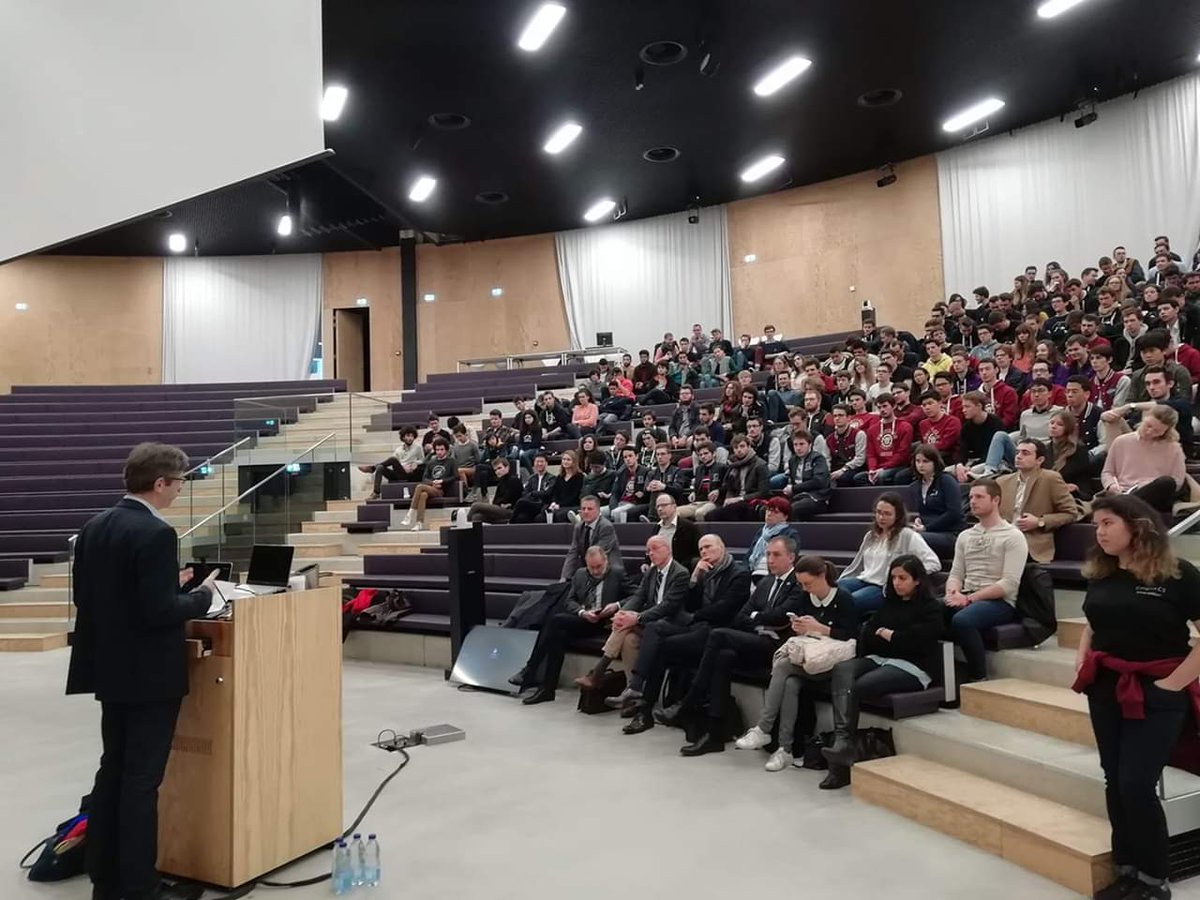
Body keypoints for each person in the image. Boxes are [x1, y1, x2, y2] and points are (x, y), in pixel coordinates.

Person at [67, 443, 222, 900]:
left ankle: (105, 875)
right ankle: (140, 886)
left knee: (112, 769)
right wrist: (201, 597)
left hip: (110, 670)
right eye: (178, 483)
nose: (178, 491)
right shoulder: (156, 533)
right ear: (160, 483)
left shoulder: (95, 526)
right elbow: (157, 613)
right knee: (142, 781)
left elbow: (93, 598)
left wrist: (164, 587)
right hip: (149, 675)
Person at [1071, 494, 1200, 900]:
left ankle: (1153, 879)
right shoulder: (1103, 572)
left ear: (1137, 526)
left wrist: (1173, 684)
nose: (1100, 531)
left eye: (1108, 523)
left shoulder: (1179, 575)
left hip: (1156, 689)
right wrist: (1082, 661)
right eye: (1097, 524)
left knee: (1136, 784)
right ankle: (1126, 869)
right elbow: (1092, 624)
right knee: (1114, 780)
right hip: (1106, 687)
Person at [659, 535, 806, 756]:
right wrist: (761, 618)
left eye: (776, 555)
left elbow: (780, 617)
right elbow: (742, 616)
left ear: (791, 557)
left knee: (717, 635)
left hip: (777, 646)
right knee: (722, 657)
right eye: (767, 554)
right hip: (756, 639)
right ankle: (715, 733)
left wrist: (760, 617)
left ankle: (689, 700)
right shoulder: (766, 582)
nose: (770, 559)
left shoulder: (799, 582)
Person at [820, 555, 946, 790]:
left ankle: (840, 763)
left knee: (859, 686)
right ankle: (843, 744)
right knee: (841, 671)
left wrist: (892, 636)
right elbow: (868, 634)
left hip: (913, 667)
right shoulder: (889, 603)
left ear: (917, 580)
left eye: (903, 578)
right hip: (880, 658)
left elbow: (919, 643)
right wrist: (892, 637)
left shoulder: (931, 608)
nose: (897, 583)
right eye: (894, 578)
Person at [611, 535, 752, 732]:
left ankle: (643, 703)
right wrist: (695, 578)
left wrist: (695, 616)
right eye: (701, 549)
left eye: (708, 547)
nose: (704, 552)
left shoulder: (739, 574)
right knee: (655, 629)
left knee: (661, 645)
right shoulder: (704, 571)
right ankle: (640, 698)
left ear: (722, 547)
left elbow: (724, 609)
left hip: (718, 630)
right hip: (697, 626)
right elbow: (691, 604)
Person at [734, 556, 860, 772]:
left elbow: (852, 635)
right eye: (802, 584)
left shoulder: (844, 598)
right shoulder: (805, 597)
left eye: (808, 584)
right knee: (790, 684)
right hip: (808, 659)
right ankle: (785, 748)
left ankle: (764, 727)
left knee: (782, 665)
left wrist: (822, 628)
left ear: (822, 576)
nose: (805, 588)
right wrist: (800, 627)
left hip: (833, 664)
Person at [569, 536, 690, 695]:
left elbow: (668, 606)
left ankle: (598, 673)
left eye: (655, 549)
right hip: (651, 622)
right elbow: (638, 597)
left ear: (668, 549)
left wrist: (637, 618)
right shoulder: (652, 572)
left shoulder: (681, 573)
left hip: (671, 623)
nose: (651, 553)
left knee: (626, 625)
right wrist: (622, 613)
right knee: (628, 640)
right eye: (648, 550)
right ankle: (631, 691)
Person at [515, 546, 633, 702]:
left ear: (606, 561)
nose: (596, 571)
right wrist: (582, 613)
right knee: (558, 635)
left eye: (599, 567)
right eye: (592, 567)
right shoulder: (580, 574)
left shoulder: (617, 573)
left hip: (604, 621)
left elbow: (636, 594)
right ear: (586, 564)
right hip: (585, 618)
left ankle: (530, 669)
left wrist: (617, 605)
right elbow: (570, 600)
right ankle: (547, 689)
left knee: (556, 621)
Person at [944, 481, 1028, 682]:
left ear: (996, 500)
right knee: (926, 611)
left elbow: (1009, 584)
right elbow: (956, 573)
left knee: (963, 620)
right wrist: (952, 592)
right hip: (967, 593)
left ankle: (978, 676)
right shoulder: (965, 535)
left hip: (999, 602)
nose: (972, 501)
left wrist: (969, 599)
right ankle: (942, 676)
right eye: (971, 497)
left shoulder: (1013, 536)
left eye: (979, 497)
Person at [837, 493, 941, 614]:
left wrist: (908, 574)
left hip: (883, 586)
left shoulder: (907, 535)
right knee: (832, 590)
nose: (881, 517)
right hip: (863, 579)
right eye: (879, 512)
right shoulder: (871, 536)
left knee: (852, 600)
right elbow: (857, 565)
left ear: (897, 515)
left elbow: (933, 562)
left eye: (887, 514)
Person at [996, 439, 1080, 563]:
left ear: (1039, 460)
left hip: (1030, 544)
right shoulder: (1002, 481)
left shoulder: (1050, 478)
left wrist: (1039, 522)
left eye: (1025, 453)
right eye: (1017, 452)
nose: (1019, 456)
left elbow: (1071, 513)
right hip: (1000, 539)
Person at [1100, 406, 1186, 517]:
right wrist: (1111, 485)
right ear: (1144, 419)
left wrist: (1149, 486)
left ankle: (1124, 505)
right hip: (1124, 490)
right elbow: (1107, 472)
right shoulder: (1121, 441)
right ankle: (1126, 503)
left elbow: (1177, 482)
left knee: (1167, 482)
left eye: (1157, 431)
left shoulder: (1174, 448)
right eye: (1148, 426)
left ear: (1166, 431)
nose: (1149, 432)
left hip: (1155, 495)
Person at [908, 445, 965, 557]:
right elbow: (926, 513)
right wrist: (919, 520)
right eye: (918, 461)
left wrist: (927, 528)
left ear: (935, 462)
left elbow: (954, 513)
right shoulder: (915, 486)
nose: (921, 465)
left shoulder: (947, 481)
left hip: (951, 533)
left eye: (925, 461)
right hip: (929, 532)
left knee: (913, 539)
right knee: (899, 536)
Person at [398, 437, 458, 531]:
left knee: (420, 486)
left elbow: (455, 476)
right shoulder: (431, 462)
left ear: (446, 450)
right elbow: (425, 478)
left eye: (441, 449)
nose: (439, 452)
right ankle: (419, 523)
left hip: (441, 490)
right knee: (423, 495)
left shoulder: (451, 461)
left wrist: (442, 481)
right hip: (431, 487)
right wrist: (432, 482)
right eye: (437, 449)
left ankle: (410, 513)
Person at [706, 435, 769, 521]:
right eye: (736, 447)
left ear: (749, 446)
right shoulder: (733, 465)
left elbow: (764, 492)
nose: (739, 450)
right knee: (710, 516)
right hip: (735, 502)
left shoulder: (760, 465)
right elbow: (729, 487)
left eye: (742, 446)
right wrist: (723, 495)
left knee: (729, 512)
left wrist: (739, 499)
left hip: (751, 502)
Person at [854, 395, 913, 485]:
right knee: (859, 478)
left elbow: (902, 454)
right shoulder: (872, 429)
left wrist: (883, 468)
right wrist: (872, 469)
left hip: (898, 466)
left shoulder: (905, 426)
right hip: (878, 468)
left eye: (885, 406)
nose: (882, 410)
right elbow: (871, 454)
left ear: (894, 406)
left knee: (882, 476)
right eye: (879, 407)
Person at [561, 495, 620, 580]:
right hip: (590, 569)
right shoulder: (578, 527)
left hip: (607, 572)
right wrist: (565, 576)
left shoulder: (606, 527)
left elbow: (596, 554)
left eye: (590, 509)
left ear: (598, 511)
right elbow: (573, 552)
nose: (585, 512)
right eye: (583, 509)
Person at [361, 425, 425, 499]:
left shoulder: (418, 447)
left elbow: (422, 460)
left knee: (393, 459)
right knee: (380, 467)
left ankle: (372, 468)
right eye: (408, 436)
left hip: (408, 474)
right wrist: (402, 465)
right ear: (403, 437)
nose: (410, 438)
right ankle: (376, 492)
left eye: (412, 436)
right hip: (398, 472)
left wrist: (414, 463)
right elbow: (393, 463)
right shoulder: (398, 449)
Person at [745, 497, 799, 580]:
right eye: (768, 510)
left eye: (775, 512)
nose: (769, 514)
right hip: (752, 572)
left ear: (785, 517)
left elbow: (788, 561)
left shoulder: (790, 534)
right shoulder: (761, 532)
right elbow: (749, 555)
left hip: (772, 575)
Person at [1048, 410, 1095, 502]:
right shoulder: (1044, 448)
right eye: (1051, 423)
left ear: (1068, 428)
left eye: (1059, 424)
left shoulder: (1079, 449)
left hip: (1072, 493)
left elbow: (1081, 476)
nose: (1053, 426)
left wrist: (1073, 487)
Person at [784, 431, 832, 520]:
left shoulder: (818, 458)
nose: (798, 448)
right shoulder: (792, 461)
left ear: (810, 444)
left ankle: (793, 533)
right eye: (795, 445)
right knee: (772, 508)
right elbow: (792, 480)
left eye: (802, 444)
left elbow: (818, 481)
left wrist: (794, 488)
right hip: (797, 497)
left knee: (794, 508)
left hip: (817, 498)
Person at [676, 442, 726, 520]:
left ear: (714, 454)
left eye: (706, 453)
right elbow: (697, 487)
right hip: (698, 501)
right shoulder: (699, 469)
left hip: (714, 503)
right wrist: (693, 492)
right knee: (675, 512)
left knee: (700, 513)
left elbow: (728, 486)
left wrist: (718, 491)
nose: (703, 456)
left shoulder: (722, 468)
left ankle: (701, 532)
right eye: (700, 454)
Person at [467, 456, 524, 523]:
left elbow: (510, 499)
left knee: (475, 505)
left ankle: (466, 528)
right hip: (500, 508)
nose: (497, 471)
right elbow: (496, 501)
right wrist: (500, 504)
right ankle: (475, 532)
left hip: (511, 511)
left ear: (507, 467)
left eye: (499, 468)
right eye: (495, 470)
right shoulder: (501, 482)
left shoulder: (514, 480)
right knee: (477, 516)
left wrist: (501, 504)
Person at [650, 494, 700, 571]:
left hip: (678, 571)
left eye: (664, 505)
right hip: (655, 570)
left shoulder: (688, 527)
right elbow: (651, 549)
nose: (660, 509)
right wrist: (646, 563)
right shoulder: (656, 528)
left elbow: (696, 553)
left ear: (674, 507)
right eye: (657, 506)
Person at [510, 454, 558, 523]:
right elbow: (525, 493)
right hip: (532, 504)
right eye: (537, 462)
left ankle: (509, 523)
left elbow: (547, 493)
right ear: (534, 463)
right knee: (521, 518)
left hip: (543, 505)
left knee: (521, 502)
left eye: (542, 462)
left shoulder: (552, 478)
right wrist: (535, 494)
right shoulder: (531, 478)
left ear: (546, 463)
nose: (539, 464)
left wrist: (532, 493)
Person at [608, 446, 651, 523]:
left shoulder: (646, 472)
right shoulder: (620, 473)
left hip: (634, 503)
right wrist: (613, 507)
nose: (628, 459)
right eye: (625, 457)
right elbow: (614, 493)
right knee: (598, 512)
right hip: (619, 503)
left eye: (630, 456)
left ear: (637, 456)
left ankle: (620, 534)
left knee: (618, 513)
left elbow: (648, 492)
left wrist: (643, 494)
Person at [543, 449, 583, 521]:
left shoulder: (579, 477)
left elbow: (574, 496)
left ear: (574, 462)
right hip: (559, 505)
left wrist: (560, 505)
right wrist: (554, 503)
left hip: (573, 505)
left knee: (559, 515)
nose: (565, 461)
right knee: (542, 515)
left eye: (568, 460)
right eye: (564, 459)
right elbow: (555, 493)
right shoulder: (560, 477)